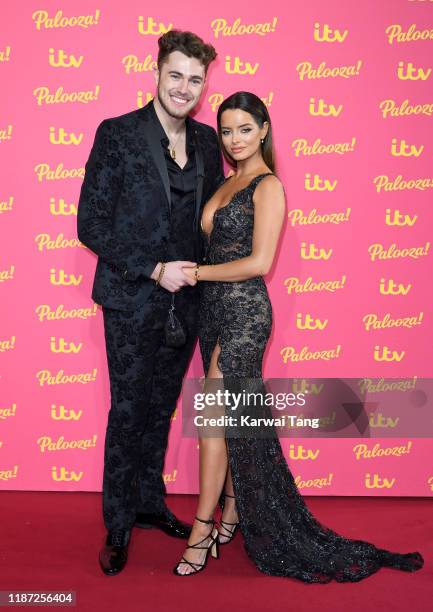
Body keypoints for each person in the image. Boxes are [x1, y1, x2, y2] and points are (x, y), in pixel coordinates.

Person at [173, 91, 424, 581]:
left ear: (264, 129)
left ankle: (202, 530)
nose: (235, 139)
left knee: (211, 418)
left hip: (245, 312)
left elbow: (260, 263)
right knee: (231, 418)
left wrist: (198, 273)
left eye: (245, 128)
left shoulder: (267, 186)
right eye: (226, 130)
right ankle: (233, 512)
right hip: (212, 313)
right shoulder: (226, 183)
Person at [77, 30, 224, 576]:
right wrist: (153, 269)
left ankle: (148, 503)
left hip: (186, 304)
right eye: (176, 75)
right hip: (132, 298)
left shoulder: (209, 142)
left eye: (195, 78)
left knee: (160, 410)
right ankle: (117, 522)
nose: (185, 87)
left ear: (205, 84)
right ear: (157, 73)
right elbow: (89, 224)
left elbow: (211, 220)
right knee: (128, 411)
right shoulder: (116, 134)